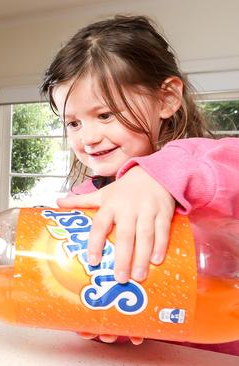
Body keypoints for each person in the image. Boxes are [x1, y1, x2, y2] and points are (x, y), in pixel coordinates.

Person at [40, 15, 239, 355]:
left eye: (105, 115)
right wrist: (95, 317)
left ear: (166, 99)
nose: (88, 138)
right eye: (73, 122)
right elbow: (99, 290)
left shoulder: (199, 165)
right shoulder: (87, 202)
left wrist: (154, 175)